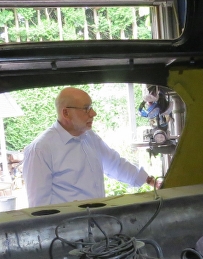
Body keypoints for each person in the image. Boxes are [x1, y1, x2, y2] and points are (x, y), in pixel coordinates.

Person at [23, 87, 158, 207]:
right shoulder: (40, 150)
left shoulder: (89, 137)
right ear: (66, 113)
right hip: (68, 227)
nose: (93, 113)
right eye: (86, 108)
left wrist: (150, 181)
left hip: (97, 221)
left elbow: (115, 165)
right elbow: (39, 208)